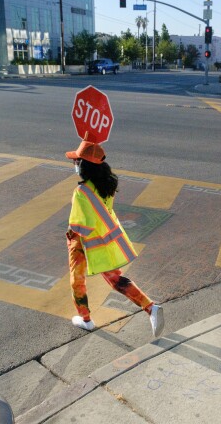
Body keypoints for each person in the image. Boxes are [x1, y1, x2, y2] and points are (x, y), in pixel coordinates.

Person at [64, 141, 164, 337]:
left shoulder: (81, 191)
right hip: (103, 242)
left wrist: (70, 230)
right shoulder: (106, 184)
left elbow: (83, 225)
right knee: (116, 280)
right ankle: (150, 308)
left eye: (77, 161)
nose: (74, 163)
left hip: (82, 243)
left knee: (77, 280)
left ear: (84, 165)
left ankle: (86, 320)